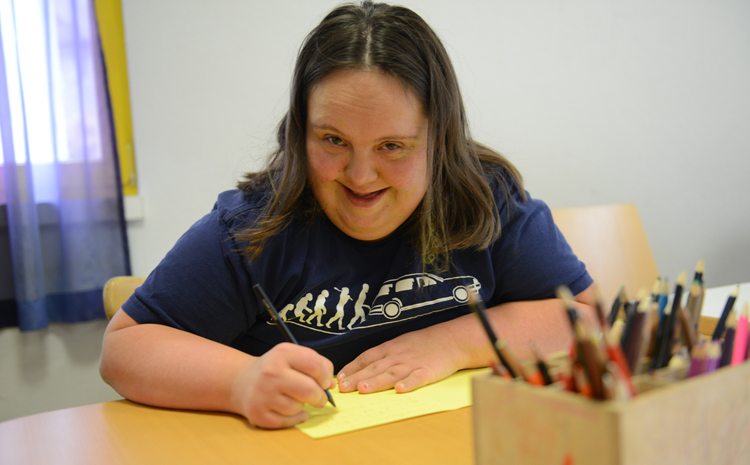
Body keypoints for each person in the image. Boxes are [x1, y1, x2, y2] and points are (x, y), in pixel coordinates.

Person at [100, 1, 594, 430]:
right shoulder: (254, 228)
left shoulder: (486, 198)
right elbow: (124, 348)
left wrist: (455, 343)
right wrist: (239, 382)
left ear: (439, 139)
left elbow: (586, 316)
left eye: (392, 146)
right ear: (300, 132)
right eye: (333, 140)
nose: (360, 176)